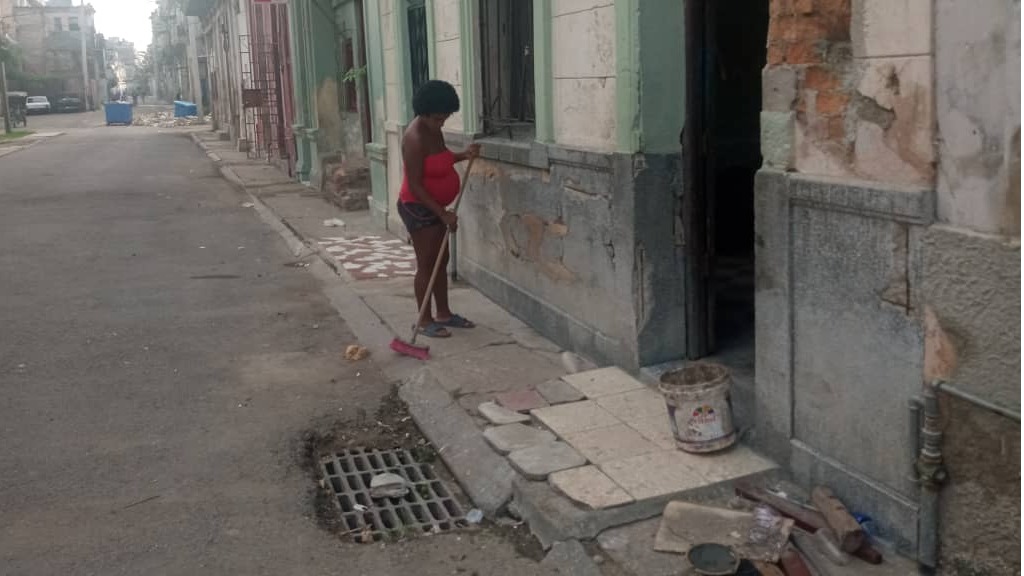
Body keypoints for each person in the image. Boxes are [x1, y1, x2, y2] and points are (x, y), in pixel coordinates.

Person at [398, 79, 480, 338]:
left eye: (445, 118)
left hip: (435, 206)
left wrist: (463, 155)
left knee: (441, 259)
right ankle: (423, 320)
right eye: (437, 119)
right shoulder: (414, 138)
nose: (441, 123)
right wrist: (442, 214)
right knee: (427, 263)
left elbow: (441, 160)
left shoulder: (435, 130)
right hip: (417, 206)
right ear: (423, 113)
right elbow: (416, 184)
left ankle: (443, 313)